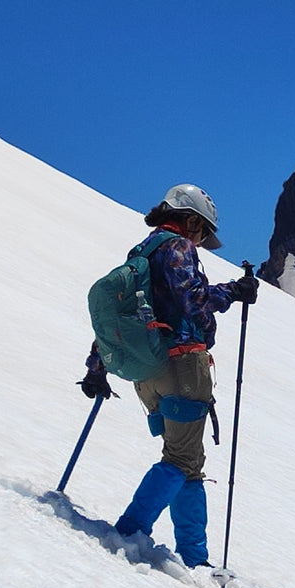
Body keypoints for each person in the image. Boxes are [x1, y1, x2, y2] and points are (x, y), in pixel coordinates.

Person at [79, 184, 258, 568]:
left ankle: (194, 557)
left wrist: (98, 366)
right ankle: (128, 530)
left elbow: (121, 313)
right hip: (183, 367)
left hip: (148, 372)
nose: (202, 239)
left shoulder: (141, 251)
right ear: (190, 219)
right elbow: (193, 300)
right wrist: (234, 292)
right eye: (202, 230)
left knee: (188, 461)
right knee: (180, 459)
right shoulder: (179, 248)